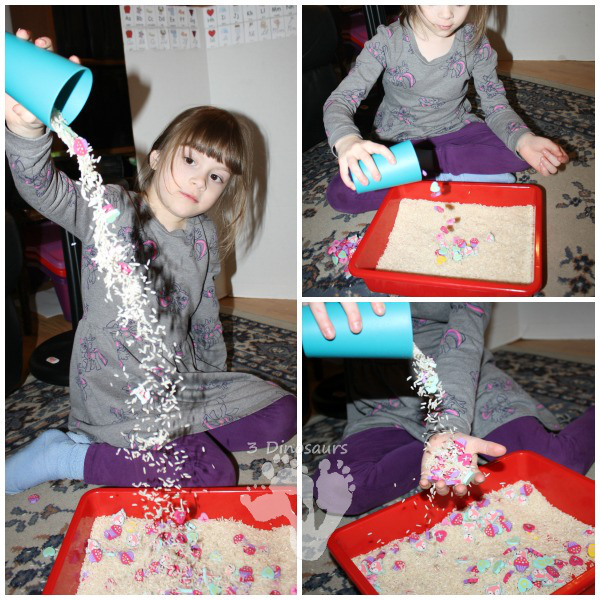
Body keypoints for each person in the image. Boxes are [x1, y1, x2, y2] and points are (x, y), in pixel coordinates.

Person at [5, 30, 295, 494]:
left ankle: (176, 439)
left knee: (284, 413)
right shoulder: (113, 210)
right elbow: (40, 187)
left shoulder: (202, 236)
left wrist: (212, 385)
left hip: (179, 384)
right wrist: (26, 132)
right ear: (157, 157)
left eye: (216, 176)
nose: (198, 181)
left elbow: (204, 317)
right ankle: (66, 454)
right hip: (117, 391)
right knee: (213, 475)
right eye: (190, 161)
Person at [307, 302, 594, 515]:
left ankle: (455, 441)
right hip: (385, 397)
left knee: (558, 465)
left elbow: (462, 344)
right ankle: (444, 446)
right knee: (335, 492)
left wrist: (448, 426)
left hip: (466, 384)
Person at [323, 6, 570, 213]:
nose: (447, 14)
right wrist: (346, 141)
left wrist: (524, 139)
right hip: (402, 142)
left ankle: (429, 172)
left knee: (524, 152)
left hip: (459, 129)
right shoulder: (386, 42)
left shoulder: (476, 42)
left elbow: (496, 107)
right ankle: (450, 173)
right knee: (341, 194)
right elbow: (339, 100)